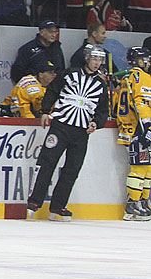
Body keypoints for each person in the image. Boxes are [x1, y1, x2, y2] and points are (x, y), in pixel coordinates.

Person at [26, 44, 110, 221]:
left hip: (81, 133)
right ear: (87, 58)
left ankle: (58, 205)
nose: (97, 63)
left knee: (72, 169)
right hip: (61, 127)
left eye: (100, 60)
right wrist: (45, 111)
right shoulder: (69, 74)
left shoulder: (101, 85)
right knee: (47, 163)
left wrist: (96, 123)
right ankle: (34, 202)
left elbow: (103, 111)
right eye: (94, 58)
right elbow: (52, 91)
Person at [116, 47, 151, 221]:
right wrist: (148, 126)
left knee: (147, 167)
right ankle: (133, 205)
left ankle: (143, 202)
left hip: (128, 128)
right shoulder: (143, 77)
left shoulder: (125, 77)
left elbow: (117, 105)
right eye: (146, 59)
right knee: (139, 168)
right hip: (140, 129)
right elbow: (142, 104)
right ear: (138, 60)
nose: (148, 62)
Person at [10, 20, 65, 84]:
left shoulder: (57, 48)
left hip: (54, 88)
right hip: (34, 88)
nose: (53, 35)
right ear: (41, 32)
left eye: (55, 32)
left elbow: (62, 69)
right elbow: (17, 72)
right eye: (50, 32)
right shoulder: (28, 49)